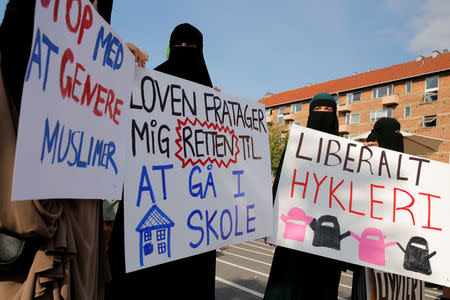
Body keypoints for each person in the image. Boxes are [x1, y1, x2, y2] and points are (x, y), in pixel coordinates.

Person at [0, 1, 147, 299]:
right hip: (39, 225)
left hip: (80, 218)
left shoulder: (89, 73)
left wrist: (114, 61)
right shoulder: (25, 44)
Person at [106, 23, 217, 300]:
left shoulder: (212, 102)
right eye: (181, 45)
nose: (186, 52)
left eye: (191, 47)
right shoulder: (147, 85)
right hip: (150, 200)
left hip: (194, 216)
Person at [264, 92, 345, 300]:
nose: (323, 114)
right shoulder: (295, 146)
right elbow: (281, 183)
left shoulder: (347, 153)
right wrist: (272, 224)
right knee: (289, 286)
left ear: (335, 115)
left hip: (328, 242)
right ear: (310, 114)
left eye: (328, 110)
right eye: (318, 110)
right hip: (295, 235)